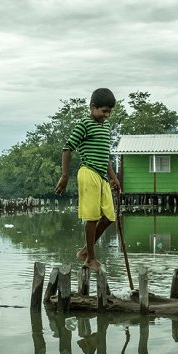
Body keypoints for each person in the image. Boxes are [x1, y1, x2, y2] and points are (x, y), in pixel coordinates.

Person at [54, 88, 121, 272]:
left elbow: (104, 155)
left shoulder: (106, 127)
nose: (106, 115)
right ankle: (90, 258)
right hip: (88, 172)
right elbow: (67, 148)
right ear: (92, 107)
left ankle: (85, 250)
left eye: (109, 112)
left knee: (109, 217)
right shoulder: (84, 124)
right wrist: (64, 176)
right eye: (103, 111)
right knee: (91, 217)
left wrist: (113, 177)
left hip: (101, 175)